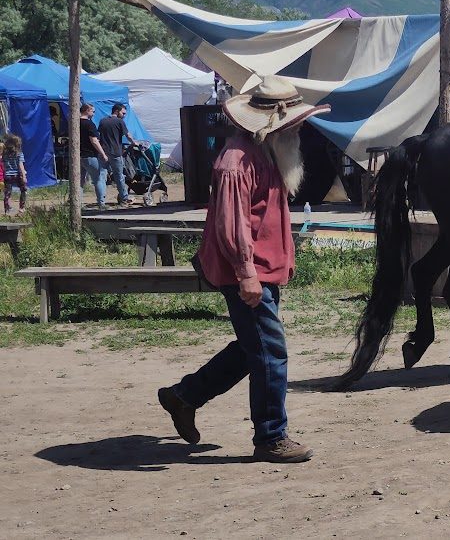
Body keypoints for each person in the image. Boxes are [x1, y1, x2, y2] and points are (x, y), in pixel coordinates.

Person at [157, 76, 329, 463]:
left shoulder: (269, 153)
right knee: (270, 351)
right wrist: (246, 272)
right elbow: (231, 224)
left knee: (257, 347)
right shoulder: (237, 161)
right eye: (293, 123)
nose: (299, 128)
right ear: (273, 125)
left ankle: (184, 396)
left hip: (263, 269)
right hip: (246, 272)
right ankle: (270, 437)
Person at [98, 103, 135, 207]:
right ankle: (124, 198)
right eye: (123, 113)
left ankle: (101, 201)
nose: (124, 115)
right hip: (115, 152)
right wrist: (134, 142)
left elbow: (99, 135)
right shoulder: (119, 122)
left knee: (102, 177)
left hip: (103, 152)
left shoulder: (102, 121)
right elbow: (127, 135)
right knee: (119, 176)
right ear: (117, 111)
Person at [78, 103, 109, 209]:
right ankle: (101, 203)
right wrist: (103, 154)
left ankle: (77, 203)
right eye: (93, 111)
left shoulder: (74, 122)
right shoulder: (89, 124)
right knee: (98, 179)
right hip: (90, 155)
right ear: (87, 110)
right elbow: (94, 140)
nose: (94, 113)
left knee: (79, 181)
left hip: (78, 156)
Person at [2, 133, 27, 215]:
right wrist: (24, 176)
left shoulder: (5, 154)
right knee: (23, 190)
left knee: (7, 192)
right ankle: (21, 208)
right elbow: (21, 166)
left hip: (7, 176)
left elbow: (2, 163)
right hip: (17, 175)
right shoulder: (19, 154)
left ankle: (7, 209)